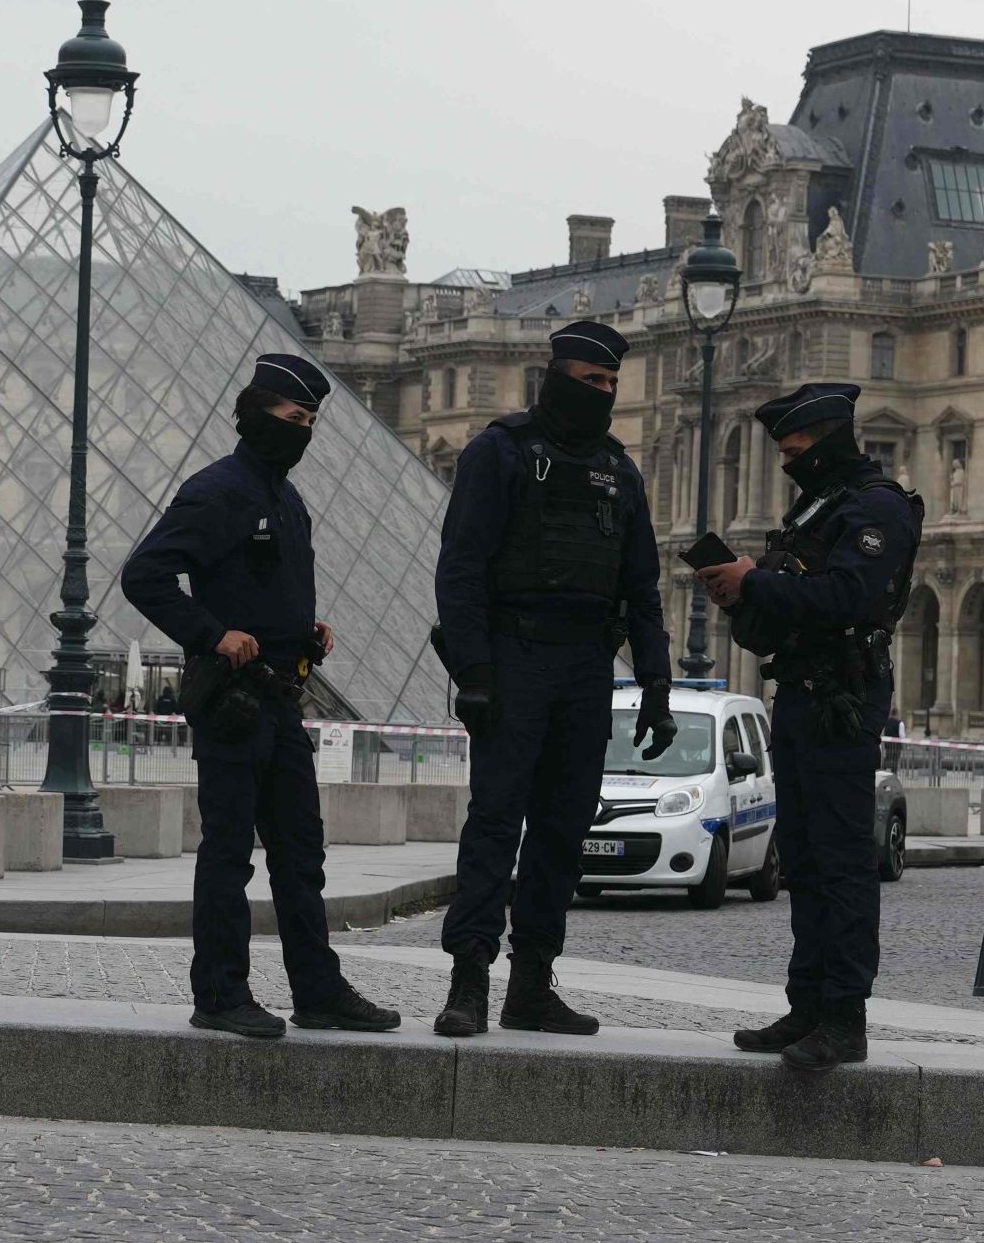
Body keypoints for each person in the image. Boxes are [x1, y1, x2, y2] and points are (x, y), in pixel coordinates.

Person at [118, 351, 400, 1040]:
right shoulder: (218, 490)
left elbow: (263, 585)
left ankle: (317, 990)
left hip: (281, 694)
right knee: (229, 852)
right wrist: (213, 634)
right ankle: (218, 992)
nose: (302, 430)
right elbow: (144, 574)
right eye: (292, 416)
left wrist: (306, 632)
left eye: (310, 420)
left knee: (301, 852)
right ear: (254, 414)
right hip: (235, 700)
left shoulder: (285, 495)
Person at [430, 317, 672, 1037]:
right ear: (555, 375)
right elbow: (461, 568)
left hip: (584, 668)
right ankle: (468, 978)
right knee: (495, 823)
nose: (599, 393)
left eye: (609, 384)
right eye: (589, 380)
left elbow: (643, 587)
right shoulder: (498, 452)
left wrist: (656, 684)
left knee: (562, 832)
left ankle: (531, 980)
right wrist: (473, 671)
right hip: (514, 657)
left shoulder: (618, 470)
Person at [692, 384, 922, 1069]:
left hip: (842, 697)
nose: (789, 463)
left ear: (827, 441)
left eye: (796, 451)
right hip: (798, 692)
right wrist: (739, 593)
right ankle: (806, 1004)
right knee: (803, 855)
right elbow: (787, 606)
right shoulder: (816, 507)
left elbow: (847, 595)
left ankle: (843, 1017)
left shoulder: (877, 507)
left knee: (843, 858)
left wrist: (754, 581)